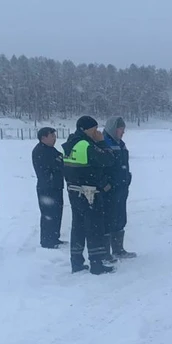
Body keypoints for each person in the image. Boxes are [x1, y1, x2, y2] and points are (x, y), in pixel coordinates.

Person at [62, 116, 114, 275]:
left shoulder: (69, 144)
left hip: (73, 190)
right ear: (85, 129)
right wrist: (101, 142)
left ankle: (76, 262)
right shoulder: (86, 145)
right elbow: (108, 159)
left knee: (78, 227)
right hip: (89, 192)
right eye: (94, 128)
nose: (96, 132)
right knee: (94, 228)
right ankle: (97, 264)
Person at [102, 116, 136, 259]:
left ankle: (118, 249)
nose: (122, 132)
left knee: (120, 218)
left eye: (123, 130)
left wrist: (127, 178)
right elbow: (100, 168)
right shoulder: (104, 143)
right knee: (108, 220)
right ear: (113, 129)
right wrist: (106, 184)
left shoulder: (121, 144)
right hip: (110, 190)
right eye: (121, 129)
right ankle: (105, 253)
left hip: (121, 188)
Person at [31, 126, 65, 248]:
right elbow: (58, 163)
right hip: (47, 188)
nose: (55, 139)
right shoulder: (40, 151)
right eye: (52, 136)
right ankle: (47, 241)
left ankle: (54, 237)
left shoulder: (51, 149)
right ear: (43, 137)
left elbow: (61, 158)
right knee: (48, 214)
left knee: (57, 213)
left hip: (55, 186)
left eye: (55, 136)